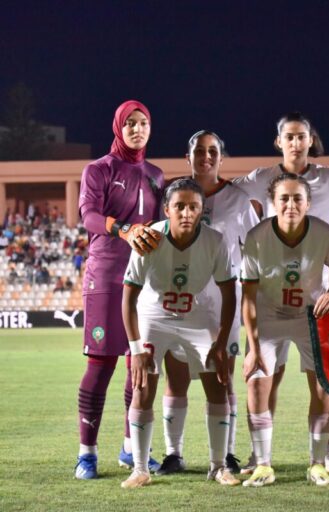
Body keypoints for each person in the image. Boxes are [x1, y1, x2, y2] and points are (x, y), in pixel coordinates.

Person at [234, 112, 329, 474]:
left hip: (311, 309)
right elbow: (225, 191)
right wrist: (253, 346)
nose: (296, 142)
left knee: (325, 383)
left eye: (302, 136)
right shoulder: (259, 213)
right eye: (289, 136)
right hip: (270, 312)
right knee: (261, 379)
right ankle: (260, 457)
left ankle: (325, 455)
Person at [120, 178, 239, 488]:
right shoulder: (148, 239)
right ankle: (140, 469)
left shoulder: (215, 241)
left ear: (202, 210)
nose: (186, 213)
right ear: (167, 209)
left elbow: (229, 293)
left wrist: (221, 342)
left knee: (218, 385)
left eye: (193, 207)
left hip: (197, 315)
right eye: (180, 206)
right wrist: (136, 350)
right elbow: (128, 298)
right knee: (142, 387)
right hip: (154, 315)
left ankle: (218, 467)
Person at [155, 131, 259, 476]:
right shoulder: (173, 193)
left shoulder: (237, 198)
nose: (206, 156)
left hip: (223, 300)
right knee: (177, 378)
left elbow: (255, 246)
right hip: (178, 299)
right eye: (199, 150)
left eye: (212, 151)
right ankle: (173, 454)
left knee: (223, 378)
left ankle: (226, 453)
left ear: (221, 157)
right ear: (188, 157)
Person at [74, 100, 165, 480]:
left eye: (143, 122)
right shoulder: (99, 169)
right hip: (106, 276)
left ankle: (131, 449)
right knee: (101, 365)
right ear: (118, 127)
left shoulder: (157, 175)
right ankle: (86, 454)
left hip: (145, 279)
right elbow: (88, 216)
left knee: (138, 365)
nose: (137, 129)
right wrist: (124, 229)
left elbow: (160, 226)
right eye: (130, 123)